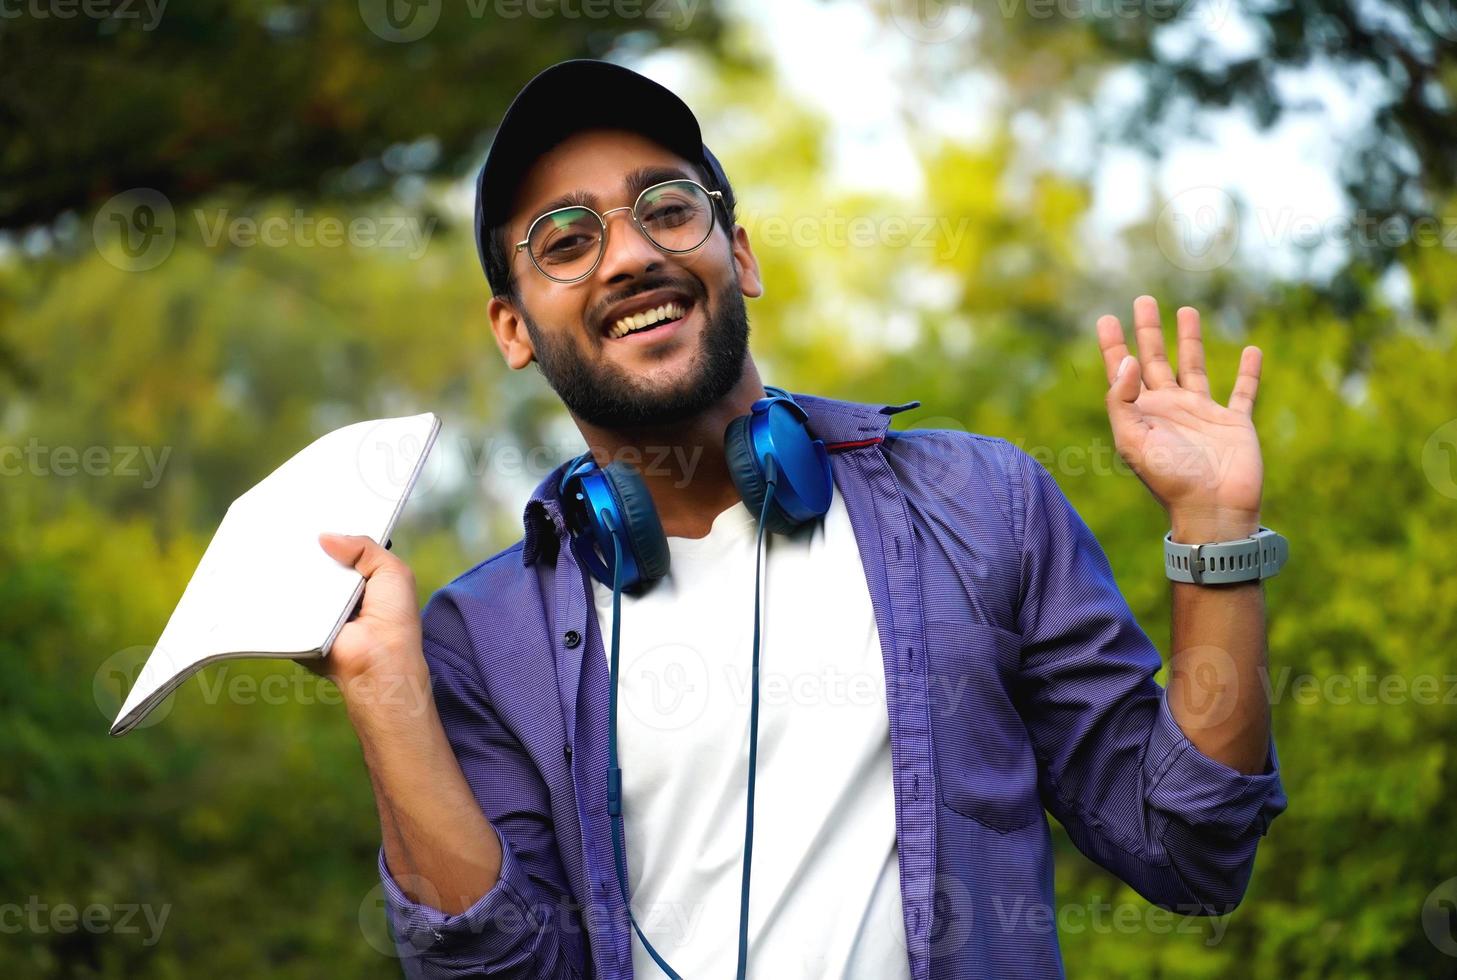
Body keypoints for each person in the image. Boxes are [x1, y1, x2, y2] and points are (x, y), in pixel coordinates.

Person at [314, 59, 1288, 980]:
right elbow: (495, 966)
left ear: (736, 253)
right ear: (513, 327)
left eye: (666, 209)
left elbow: (1186, 846)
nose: (633, 254)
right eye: (566, 241)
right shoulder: (480, 634)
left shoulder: (980, 502)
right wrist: (385, 696)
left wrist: (1212, 530)